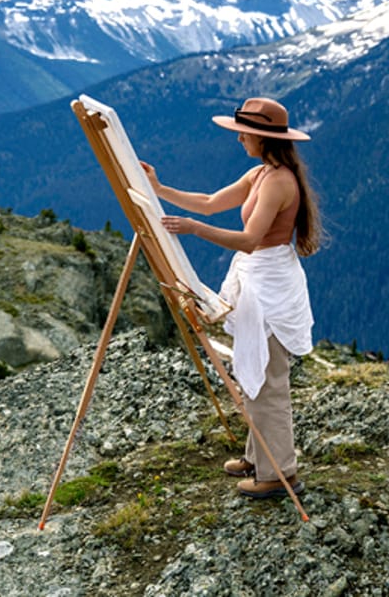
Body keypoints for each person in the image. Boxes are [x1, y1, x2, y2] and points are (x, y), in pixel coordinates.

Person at [141, 96, 320, 500]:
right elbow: (209, 202)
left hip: (270, 287)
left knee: (269, 378)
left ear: (262, 137)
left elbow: (251, 240)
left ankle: (280, 472)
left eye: (245, 133)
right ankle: (260, 456)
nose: (239, 138)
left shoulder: (277, 182)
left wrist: (194, 229)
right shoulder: (261, 174)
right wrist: (159, 189)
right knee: (254, 368)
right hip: (260, 282)